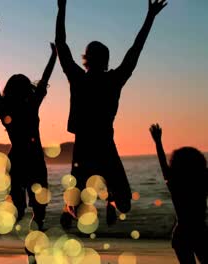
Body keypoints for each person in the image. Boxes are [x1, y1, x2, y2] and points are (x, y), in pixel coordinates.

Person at [55, 0, 168, 227]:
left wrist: (62, 8)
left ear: (88, 59)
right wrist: (150, 18)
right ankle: (72, 207)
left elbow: (61, 44)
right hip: (86, 148)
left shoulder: (102, 79)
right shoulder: (85, 79)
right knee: (80, 211)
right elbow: (134, 51)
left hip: (105, 146)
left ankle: (110, 201)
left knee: (122, 205)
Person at [0, 34, 57, 231]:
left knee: (22, 209)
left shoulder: (4, 106)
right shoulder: (30, 105)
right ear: (26, 89)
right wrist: (54, 56)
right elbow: (44, 80)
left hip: (19, 160)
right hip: (33, 159)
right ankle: (30, 246)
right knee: (37, 209)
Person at [150, 124, 207, 263]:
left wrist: (158, 142)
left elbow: (163, 164)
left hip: (182, 235)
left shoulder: (175, 182)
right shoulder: (202, 180)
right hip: (199, 232)